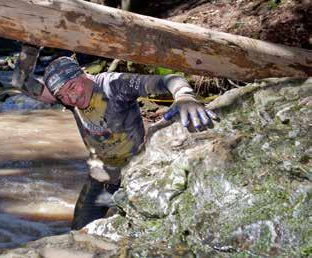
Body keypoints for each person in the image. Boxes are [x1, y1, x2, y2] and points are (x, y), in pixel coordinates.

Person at [12, 44, 218, 229]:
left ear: (83, 74)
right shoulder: (67, 98)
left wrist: (184, 96)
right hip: (100, 179)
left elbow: (168, 80)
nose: (72, 97)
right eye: (63, 95)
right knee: (80, 234)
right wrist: (30, 45)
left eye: (73, 87)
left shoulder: (113, 85)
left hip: (137, 175)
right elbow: (20, 81)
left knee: (141, 232)